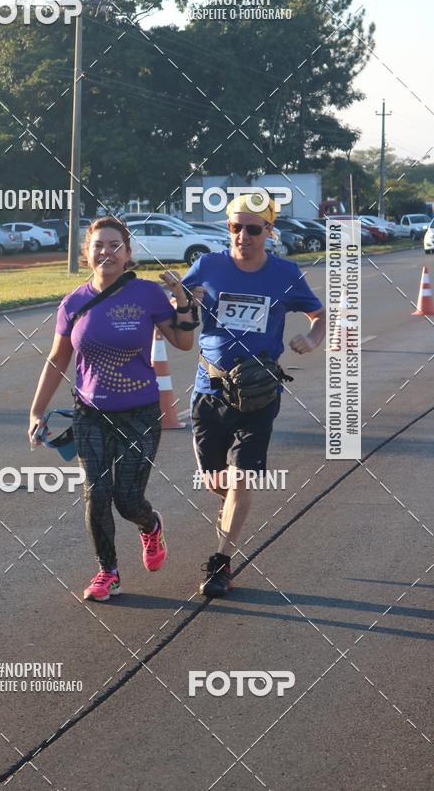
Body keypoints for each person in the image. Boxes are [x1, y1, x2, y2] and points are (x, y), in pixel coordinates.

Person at [28, 216, 198, 601]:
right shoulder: (73, 303)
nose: (106, 252)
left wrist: (182, 298)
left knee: (128, 500)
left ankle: (150, 525)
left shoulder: (147, 295)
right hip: (90, 413)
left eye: (114, 245)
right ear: (87, 253)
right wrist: (36, 411)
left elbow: (184, 343)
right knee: (97, 493)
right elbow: (57, 360)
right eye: (98, 245)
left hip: (139, 413)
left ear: (127, 253)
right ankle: (108, 572)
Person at [182, 194, 326, 597]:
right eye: (235, 227)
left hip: (259, 393)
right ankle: (231, 503)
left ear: (269, 231)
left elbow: (319, 316)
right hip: (210, 390)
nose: (242, 235)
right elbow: (179, 310)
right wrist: (181, 299)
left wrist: (311, 339)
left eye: (252, 228)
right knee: (216, 480)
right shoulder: (207, 265)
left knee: (242, 479)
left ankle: (220, 562)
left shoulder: (285, 273)